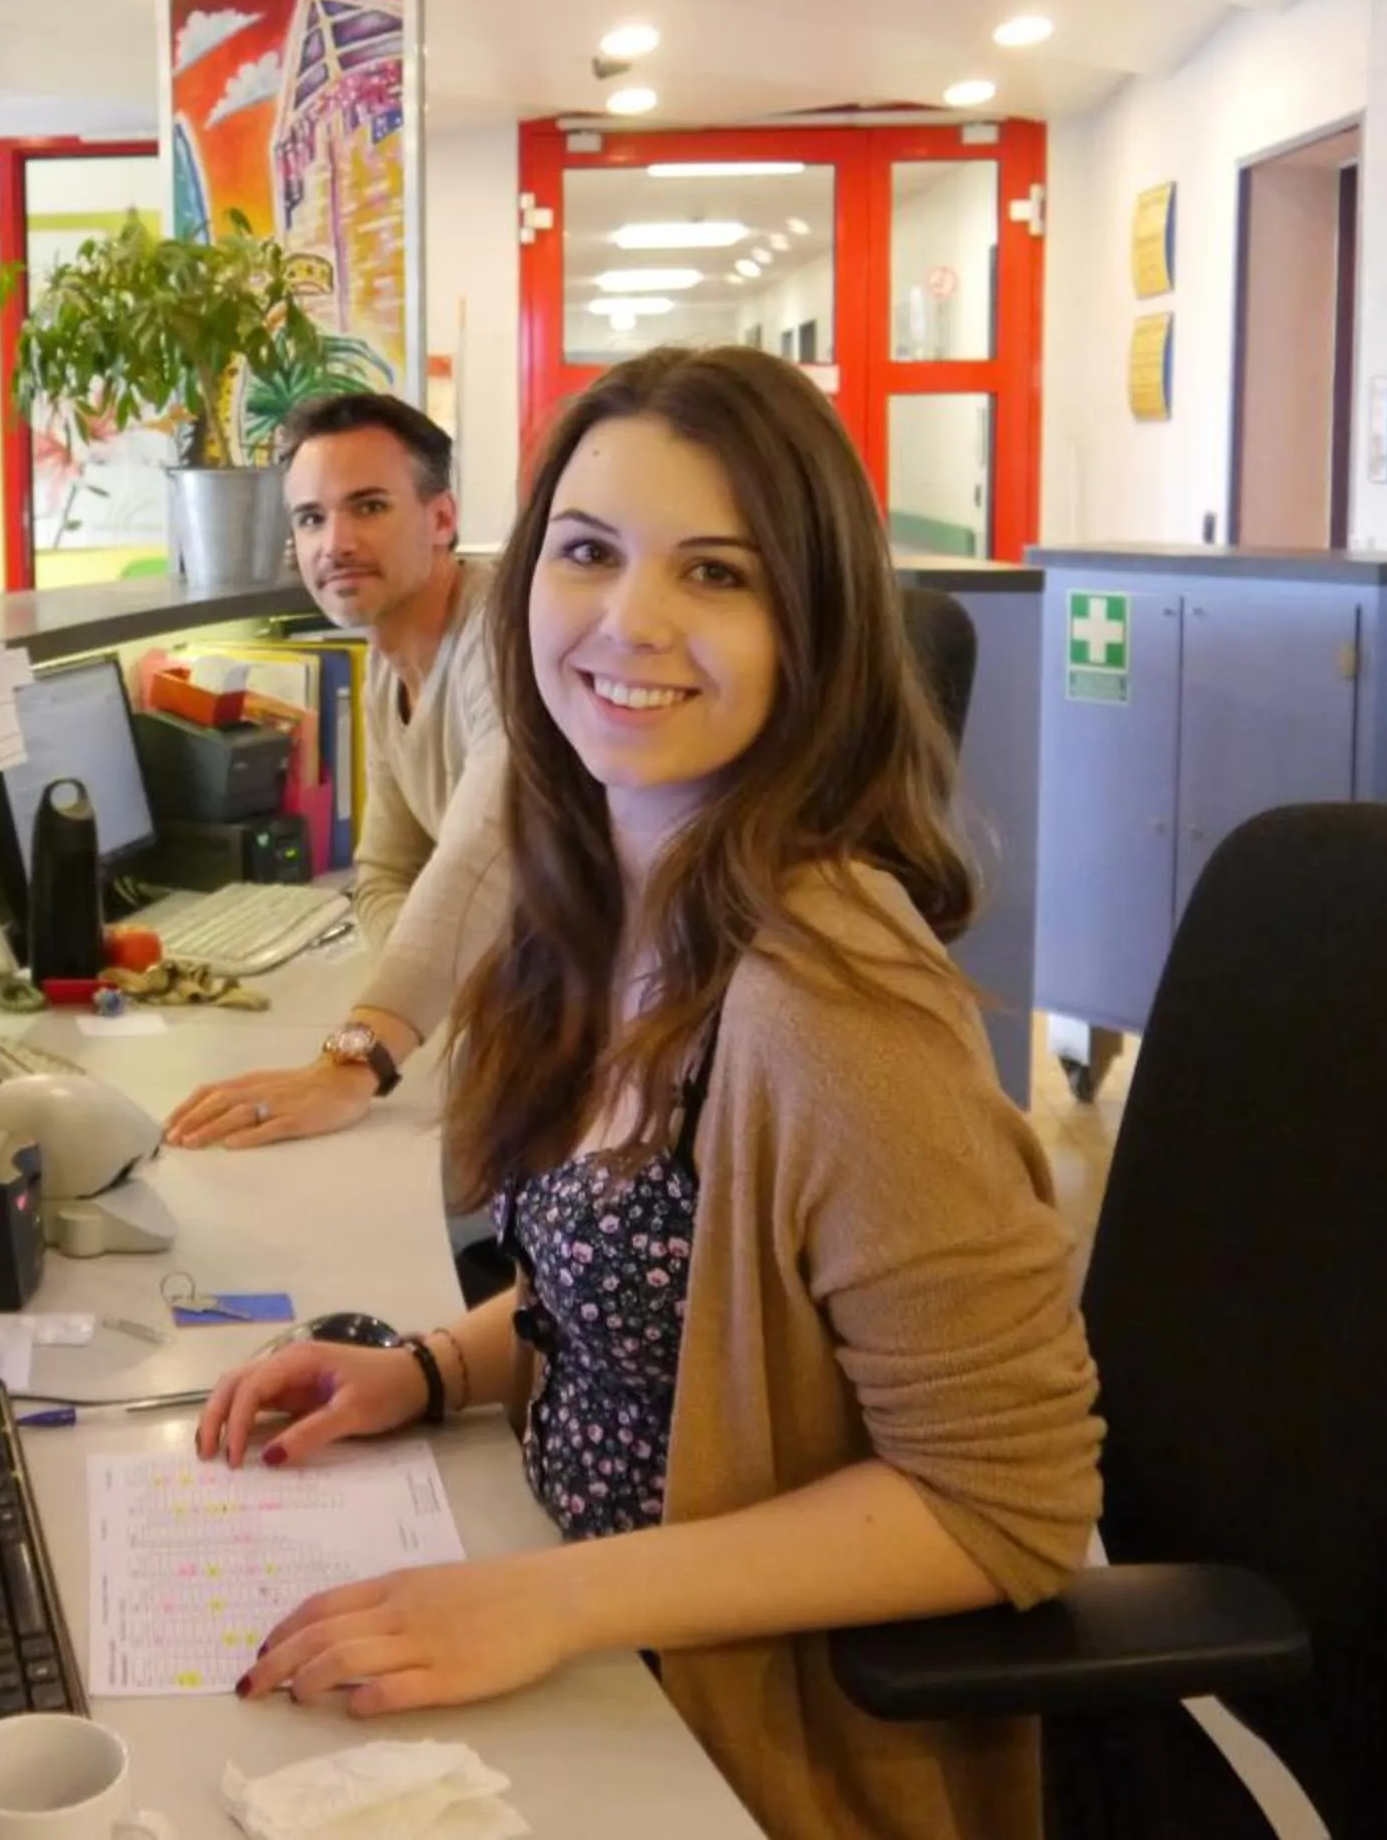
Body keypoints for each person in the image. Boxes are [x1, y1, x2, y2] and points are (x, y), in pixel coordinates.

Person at [194, 348, 1101, 1839]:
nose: (630, 621)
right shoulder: (608, 905)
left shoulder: (828, 999)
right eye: (590, 552)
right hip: (599, 1635)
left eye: (719, 573)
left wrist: (546, 1602)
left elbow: (1010, 1499)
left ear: (816, 626)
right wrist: (425, 1369)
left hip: (740, 1732)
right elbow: (654, 1308)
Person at [165, 391, 505, 1149]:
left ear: (443, 518)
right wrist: (427, 1000)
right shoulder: (387, 664)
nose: (335, 543)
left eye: (370, 507)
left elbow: (484, 854)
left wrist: (354, 1061)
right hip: (509, 1044)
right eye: (311, 518)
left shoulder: (504, 634)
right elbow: (386, 872)